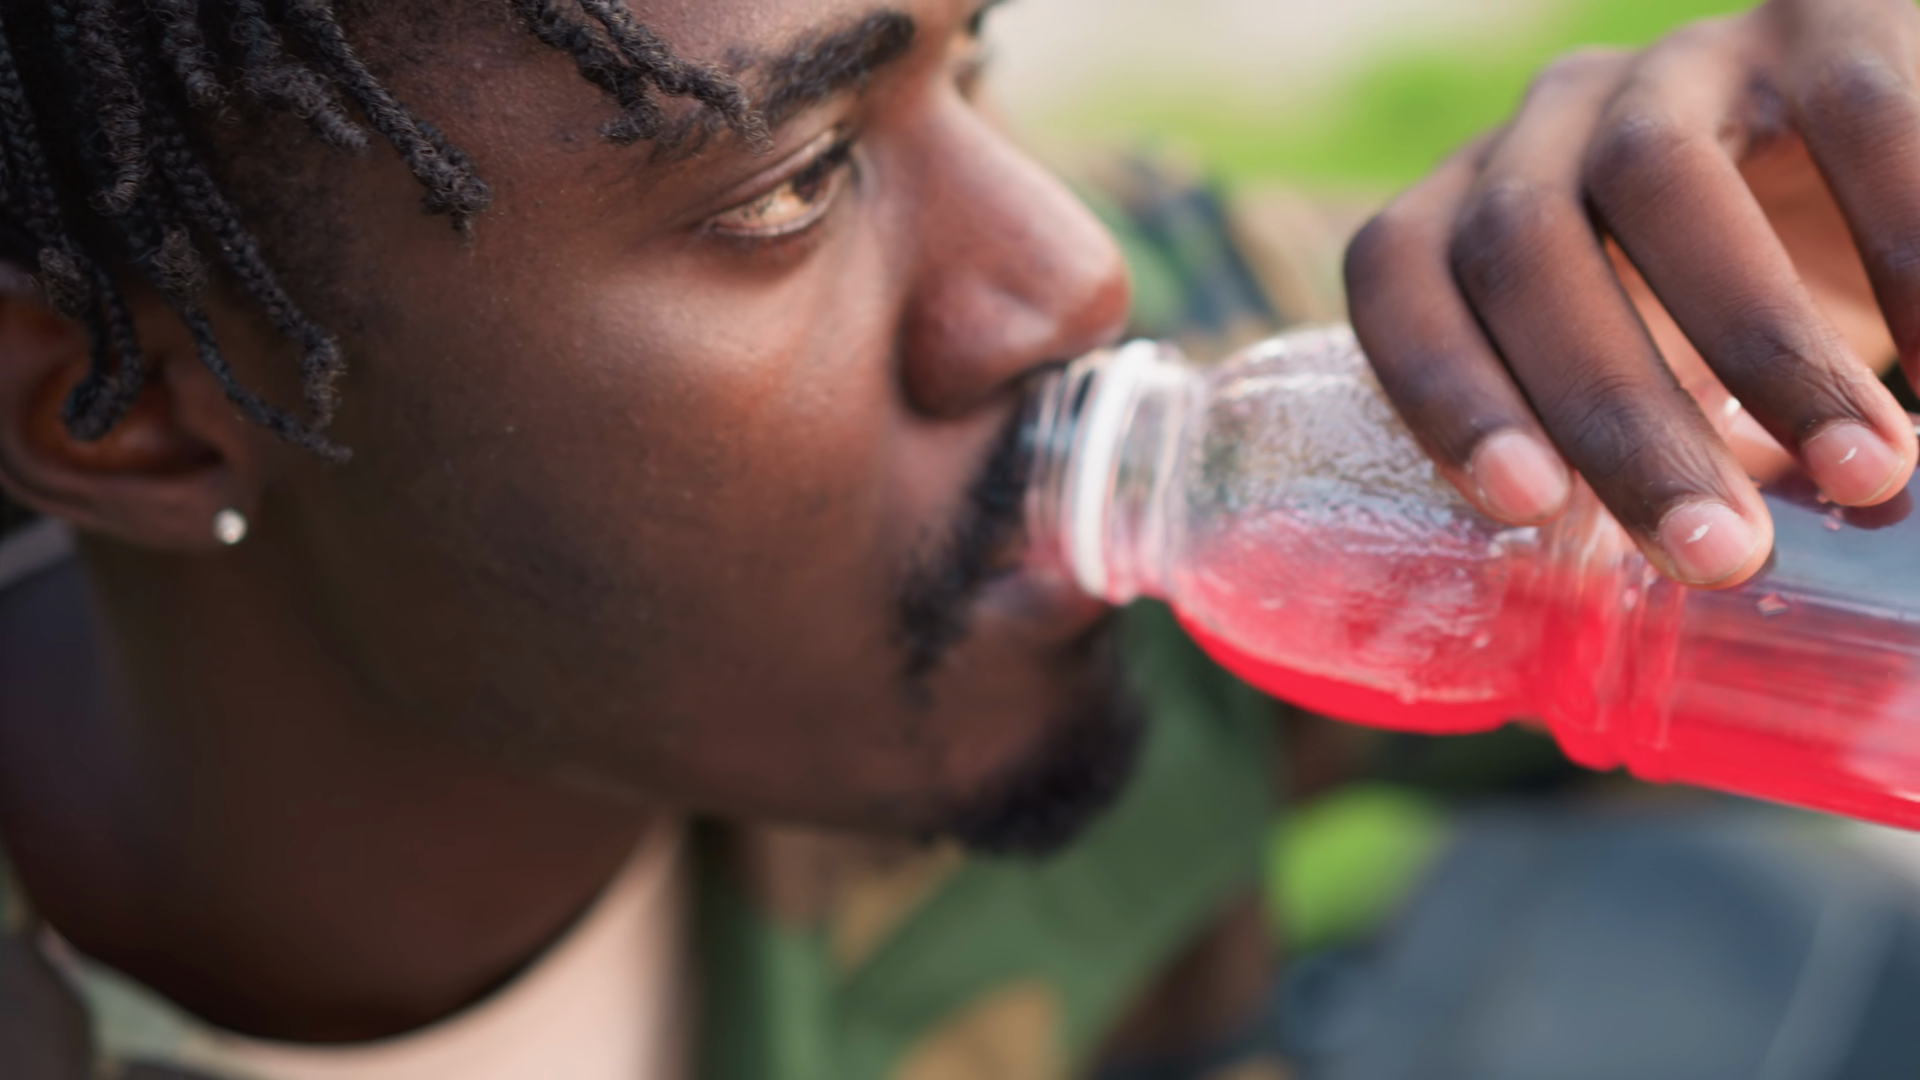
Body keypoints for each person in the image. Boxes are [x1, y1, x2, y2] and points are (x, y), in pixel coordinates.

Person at [0, 0, 1916, 1077]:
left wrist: (1844, 309)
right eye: (794, 183)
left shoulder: (1198, 435)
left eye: (968, 61)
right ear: (132, 407)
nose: (1070, 276)